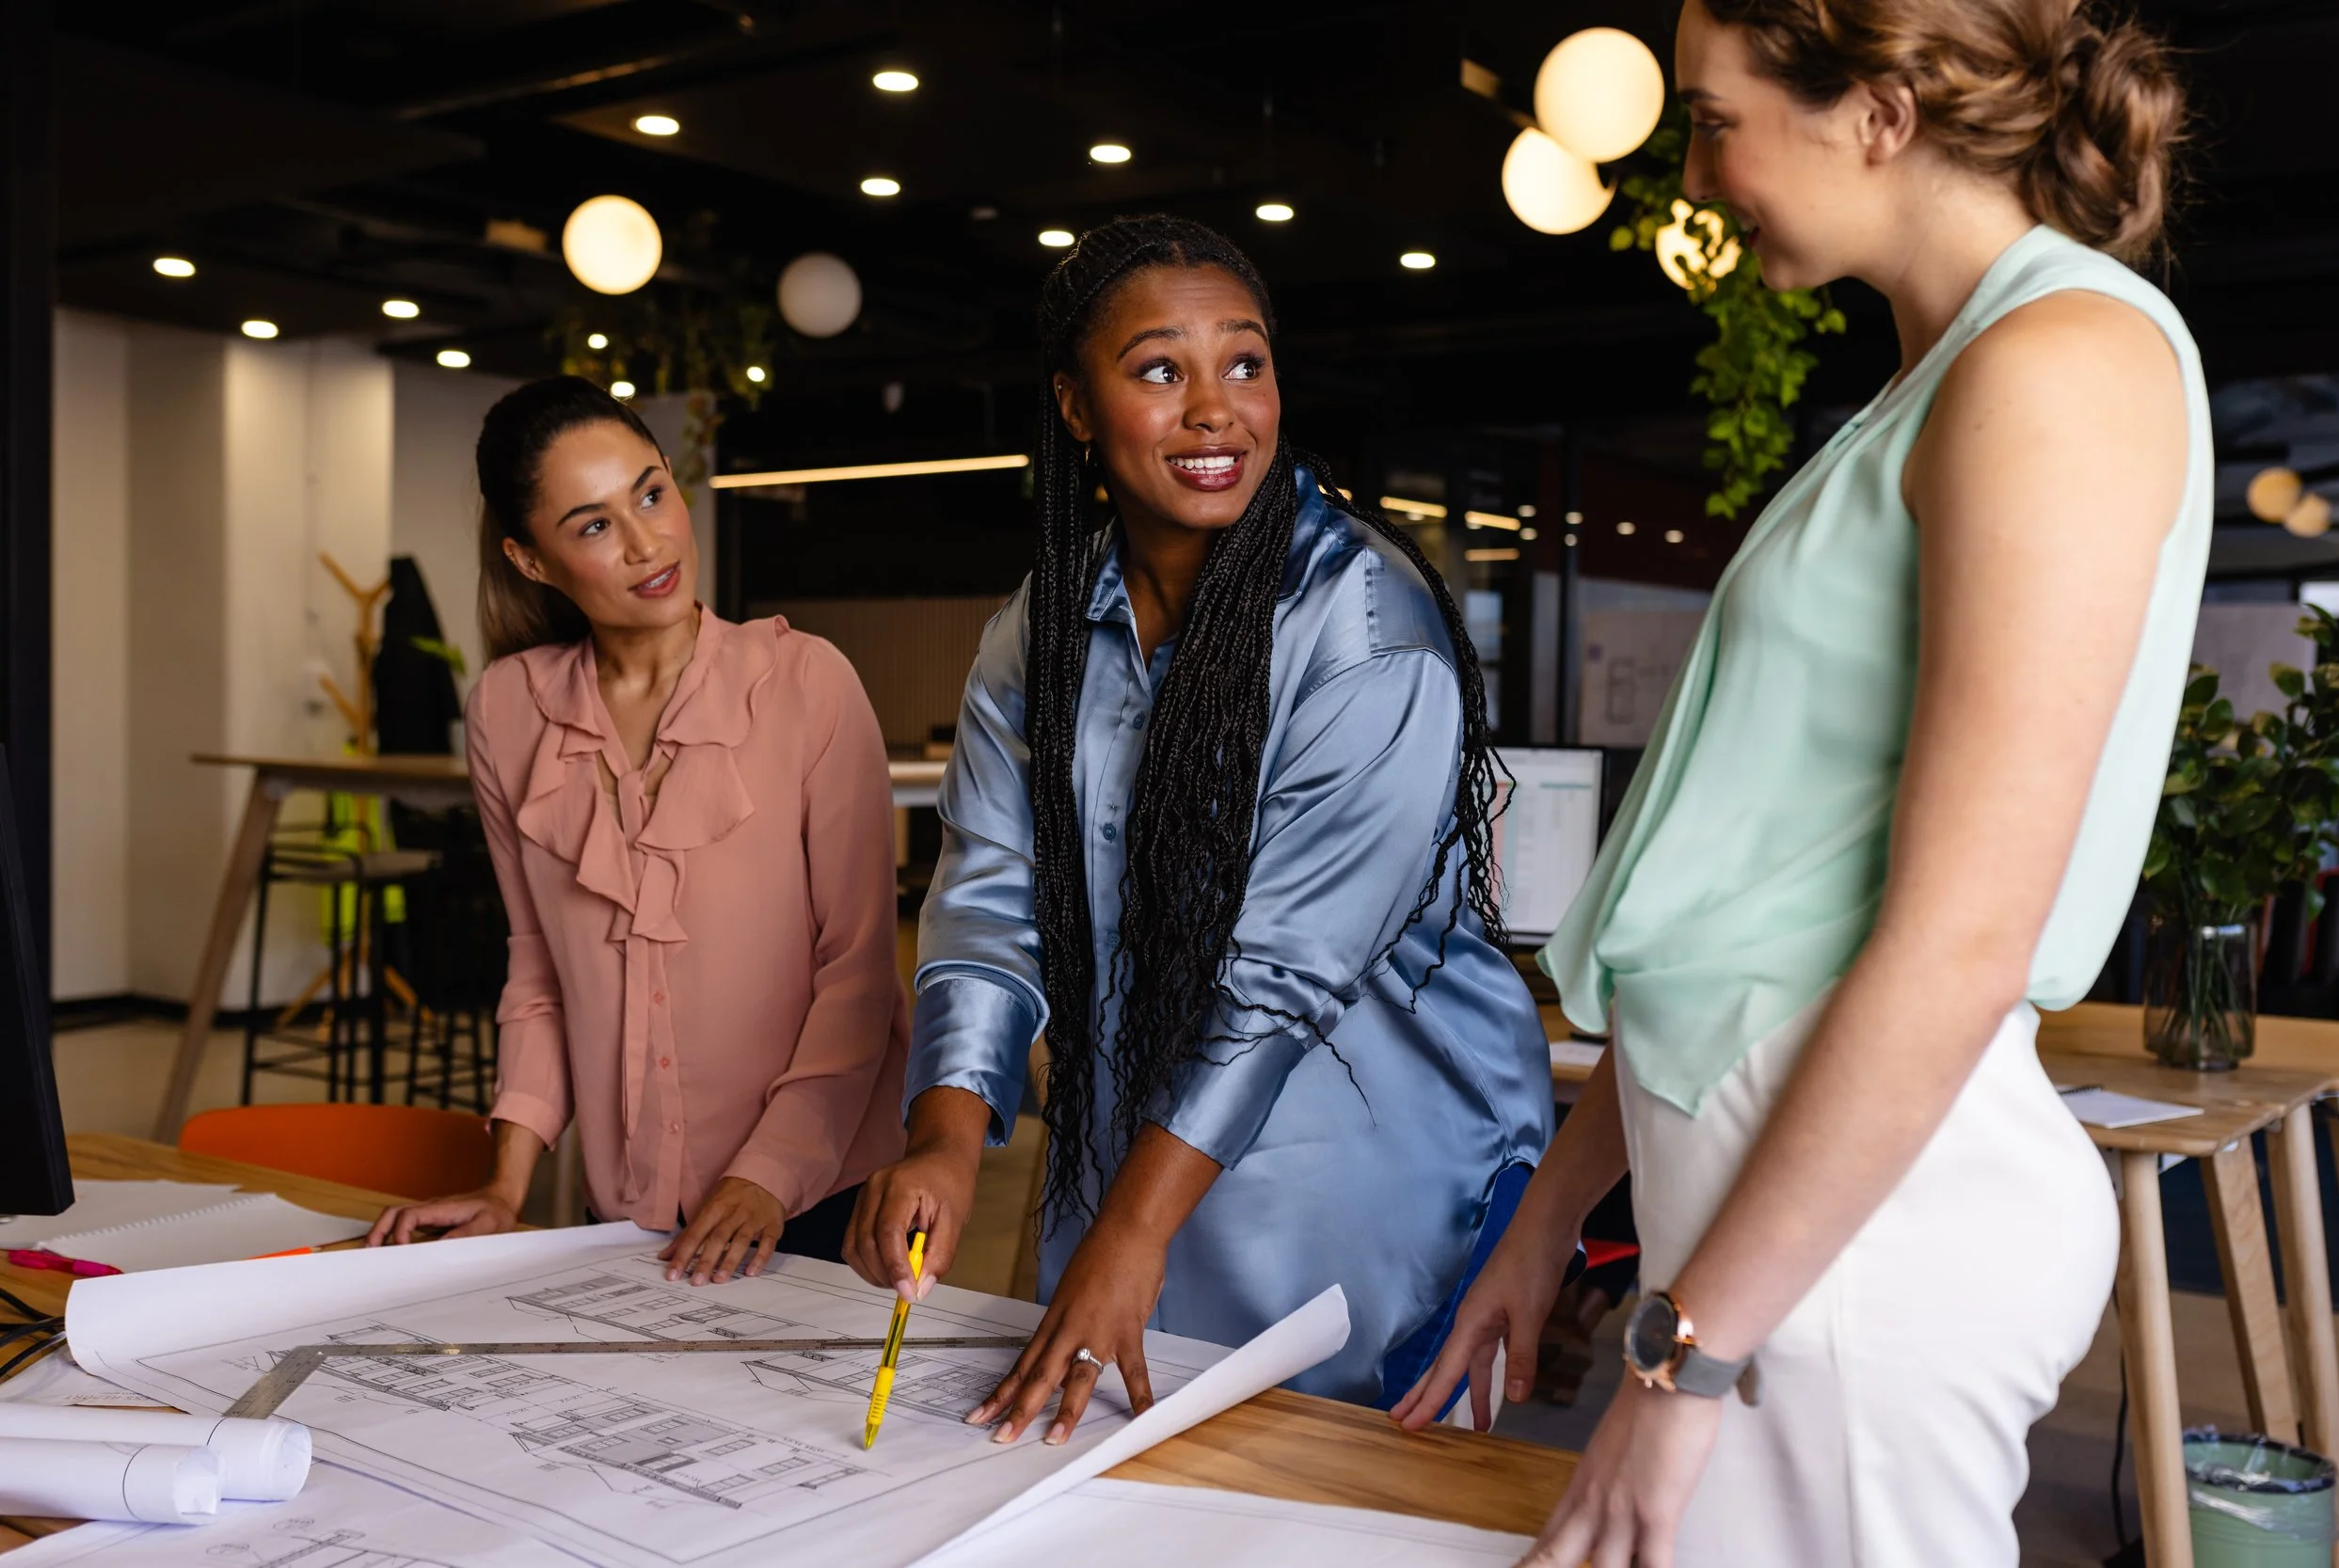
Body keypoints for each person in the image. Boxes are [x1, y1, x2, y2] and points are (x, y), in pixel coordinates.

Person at [1396, 2, 2204, 1564]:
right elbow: (1730, 901)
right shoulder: (1945, 376)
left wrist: (1688, 1351)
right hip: (1787, 1226)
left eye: (1714, 117)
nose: (1696, 173)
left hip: (1859, 1251)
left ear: (1882, 109)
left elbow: (1962, 938)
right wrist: (1558, 1218)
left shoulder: (2059, 357)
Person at [843, 216, 1552, 1436]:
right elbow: (989, 895)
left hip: (1377, 1184)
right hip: (1139, 1177)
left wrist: (1132, 1232)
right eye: (1162, 369)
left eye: (1248, 362)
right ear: (1075, 405)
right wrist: (948, 1136)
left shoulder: (1366, 627)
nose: (1217, 408)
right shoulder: (1043, 628)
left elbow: (1279, 979)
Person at [367, 376, 909, 1286]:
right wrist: (507, 1188)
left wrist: (767, 1176)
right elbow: (538, 969)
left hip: (811, 1206)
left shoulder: (808, 683)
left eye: (651, 493)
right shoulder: (507, 709)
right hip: (621, 1212)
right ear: (530, 559)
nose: (647, 542)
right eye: (592, 524)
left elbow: (856, 974)